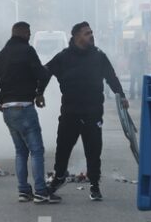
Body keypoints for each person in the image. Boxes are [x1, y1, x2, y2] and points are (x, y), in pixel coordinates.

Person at [45, 22, 129, 201]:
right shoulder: (63, 57)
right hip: (70, 112)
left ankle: (95, 185)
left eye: (91, 32)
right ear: (76, 37)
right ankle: (59, 177)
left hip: (93, 112)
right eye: (86, 33)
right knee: (63, 148)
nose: (91, 35)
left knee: (93, 150)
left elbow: (111, 77)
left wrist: (121, 95)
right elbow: (45, 72)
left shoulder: (98, 56)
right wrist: (37, 92)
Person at [0, 22, 61, 204]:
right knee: (36, 150)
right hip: (25, 107)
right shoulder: (28, 51)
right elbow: (42, 75)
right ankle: (41, 191)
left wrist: (0, 101)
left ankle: (23, 191)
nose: (29, 36)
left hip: (8, 110)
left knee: (20, 151)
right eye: (29, 33)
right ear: (25, 33)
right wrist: (39, 92)